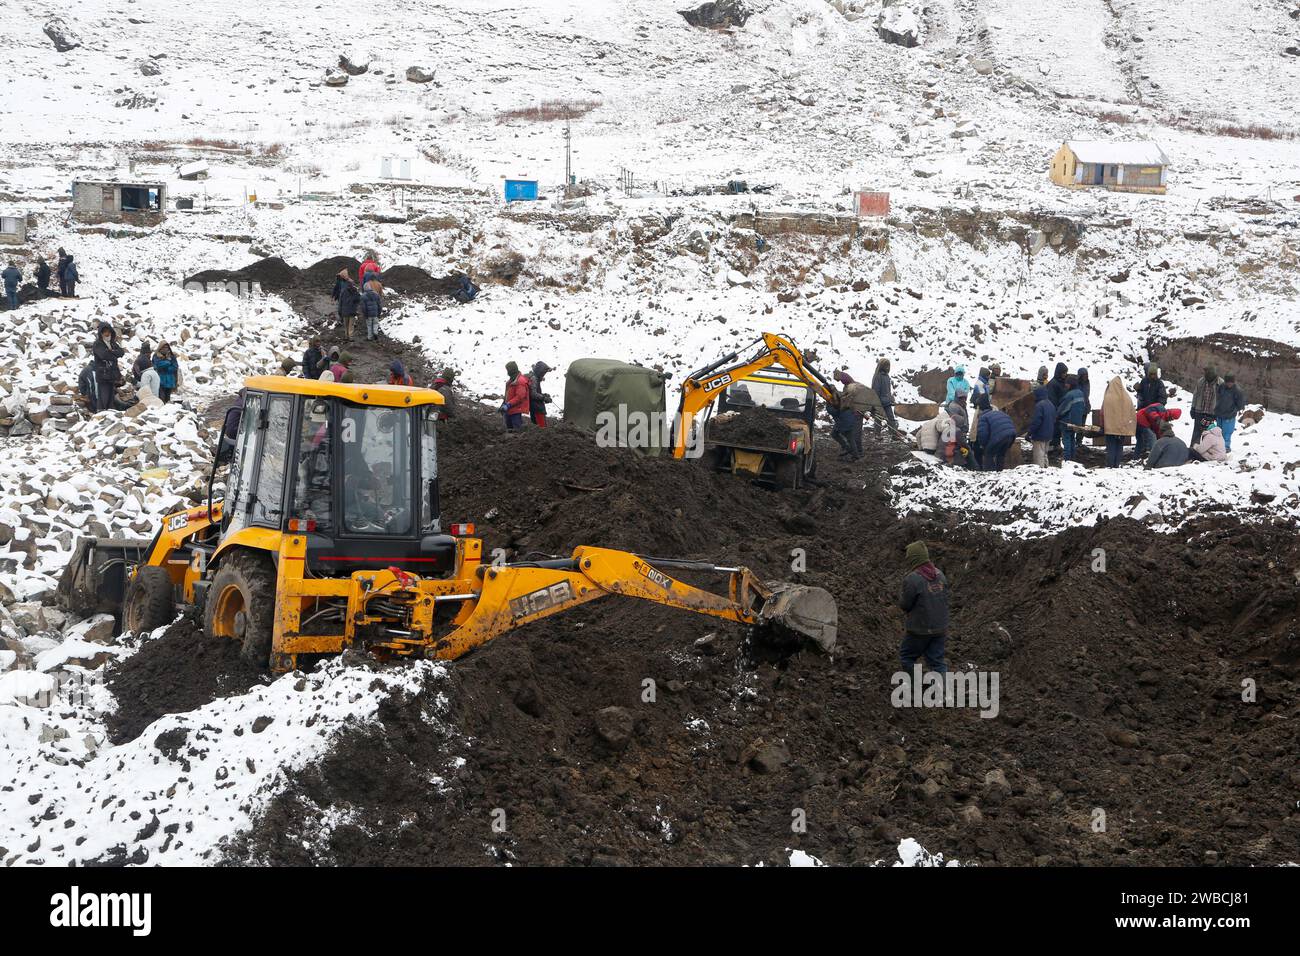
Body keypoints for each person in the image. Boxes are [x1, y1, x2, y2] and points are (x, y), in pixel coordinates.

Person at [899, 541, 949, 682]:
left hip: (920, 629)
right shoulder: (940, 575)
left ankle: (918, 688)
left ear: (914, 559)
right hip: (940, 628)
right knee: (937, 662)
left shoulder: (912, 579)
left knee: (907, 657)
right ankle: (943, 694)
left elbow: (905, 605)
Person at [1102, 375, 1136, 468]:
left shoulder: (1108, 397)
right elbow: (1131, 412)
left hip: (1110, 428)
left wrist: (1103, 425)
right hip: (1122, 428)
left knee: (1111, 447)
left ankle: (1110, 466)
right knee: (1119, 447)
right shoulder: (1127, 397)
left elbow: (1103, 412)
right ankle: (1116, 465)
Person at [90, 323, 124, 413]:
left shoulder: (112, 343)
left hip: (112, 375)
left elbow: (121, 352)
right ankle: (101, 413)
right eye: (105, 332)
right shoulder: (98, 344)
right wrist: (114, 355)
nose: (107, 334)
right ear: (101, 333)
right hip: (103, 375)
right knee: (103, 396)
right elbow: (103, 355)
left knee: (110, 396)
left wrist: (111, 351)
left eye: (108, 331)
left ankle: (109, 412)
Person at [1056, 375, 1088, 462]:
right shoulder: (1080, 393)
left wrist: (1056, 416)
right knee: (1072, 440)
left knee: (1066, 441)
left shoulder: (1069, 395)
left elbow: (1063, 409)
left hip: (1067, 422)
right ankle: (1073, 460)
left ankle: (1067, 460)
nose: (1065, 385)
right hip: (1077, 421)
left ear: (1070, 384)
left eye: (1067, 383)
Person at [1190, 365, 1221, 448]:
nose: (1205, 376)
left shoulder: (1220, 383)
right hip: (1199, 411)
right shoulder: (1201, 381)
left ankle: (1205, 451)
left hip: (1211, 413)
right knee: (1196, 432)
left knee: (1208, 434)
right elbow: (1195, 395)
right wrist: (1193, 408)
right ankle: (1193, 449)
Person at [1214, 373, 1246, 452]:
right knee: (1218, 432)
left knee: (1227, 433)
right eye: (1227, 382)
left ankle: (1226, 447)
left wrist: (1233, 411)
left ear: (1233, 382)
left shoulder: (1238, 391)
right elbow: (1217, 397)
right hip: (1219, 414)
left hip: (1229, 416)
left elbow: (1241, 405)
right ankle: (1218, 447)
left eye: (1230, 382)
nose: (1229, 384)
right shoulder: (1222, 387)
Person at [1026, 385, 1056, 467]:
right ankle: (1046, 470)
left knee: (1038, 456)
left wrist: (1029, 433)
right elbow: (1054, 419)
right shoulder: (1051, 404)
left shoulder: (1039, 405)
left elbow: (1036, 422)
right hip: (1049, 434)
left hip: (1040, 435)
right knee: (1045, 454)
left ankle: (1040, 472)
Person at [1046, 362, 1070, 450]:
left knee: (1058, 429)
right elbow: (1052, 398)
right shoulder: (1053, 384)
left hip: (1061, 409)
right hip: (1055, 409)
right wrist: (1057, 410)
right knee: (1054, 429)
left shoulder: (1062, 382)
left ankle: (1056, 444)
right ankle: (1053, 446)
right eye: (1063, 373)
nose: (1065, 375)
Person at [871, 358, 898, 436]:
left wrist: (891, 398)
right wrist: (876, 403)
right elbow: (876, 390)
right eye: (886, 365)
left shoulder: (886, 376)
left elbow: (888, 390)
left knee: (891, 418)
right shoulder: (878, 376)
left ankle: (893, 434)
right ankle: (877, 434)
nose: (888, 367)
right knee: (878, 418)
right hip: (879, 402)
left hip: (887, 402)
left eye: (888, 365)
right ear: (882, 366)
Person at [502, 361, 530, 430]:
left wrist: (508, 404)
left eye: (508, 370)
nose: (507, 372)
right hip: (509, 409)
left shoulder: (520, 381)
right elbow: (508, 394)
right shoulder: (511, 380)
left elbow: (520, 397)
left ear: (511, 370)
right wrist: (503, 404)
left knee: (517, 430)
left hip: (516, 410)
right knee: (509, 429)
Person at [944, 392, 969, 466]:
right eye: (961, 398)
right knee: (957, 448)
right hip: (957, 430)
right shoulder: (954, 406)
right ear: (957, 397)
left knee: (961, 449)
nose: (963, 399)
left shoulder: (961, 405)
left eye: (964, 398)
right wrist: (962, 428)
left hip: (961, 430)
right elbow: (956, 419)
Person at [526, 362, 553, 427]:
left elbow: (534, 392)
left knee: (537, 427)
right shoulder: (534, 379)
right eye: (543, 372)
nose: (544, 374)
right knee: (542, 427)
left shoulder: (535, 378)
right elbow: (533, 394)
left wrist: (543, 395)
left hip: (534, 407)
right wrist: (544, 398)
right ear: (540, 371)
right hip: (537, 408)